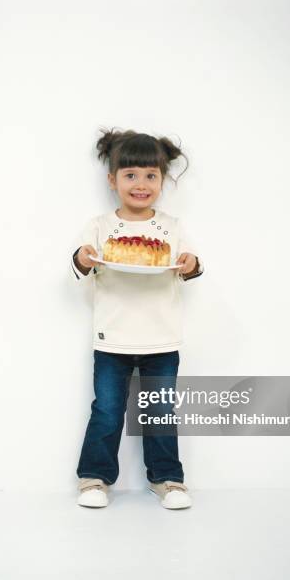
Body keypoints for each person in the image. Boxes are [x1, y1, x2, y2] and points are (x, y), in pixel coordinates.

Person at [70, 127, 204, 510]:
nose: (141, 184)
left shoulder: (172, 227)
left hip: (161, 338)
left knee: (160, 411)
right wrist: (83, 258)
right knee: (108, 410)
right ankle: (94, 477)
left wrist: (189, 263)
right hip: (111, 338)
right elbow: (80, 267)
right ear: (113, 180)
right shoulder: (99, 226)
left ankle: (167, 479)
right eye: (130, 175)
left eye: (151, 175)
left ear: (163, 180)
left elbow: (190, 266)